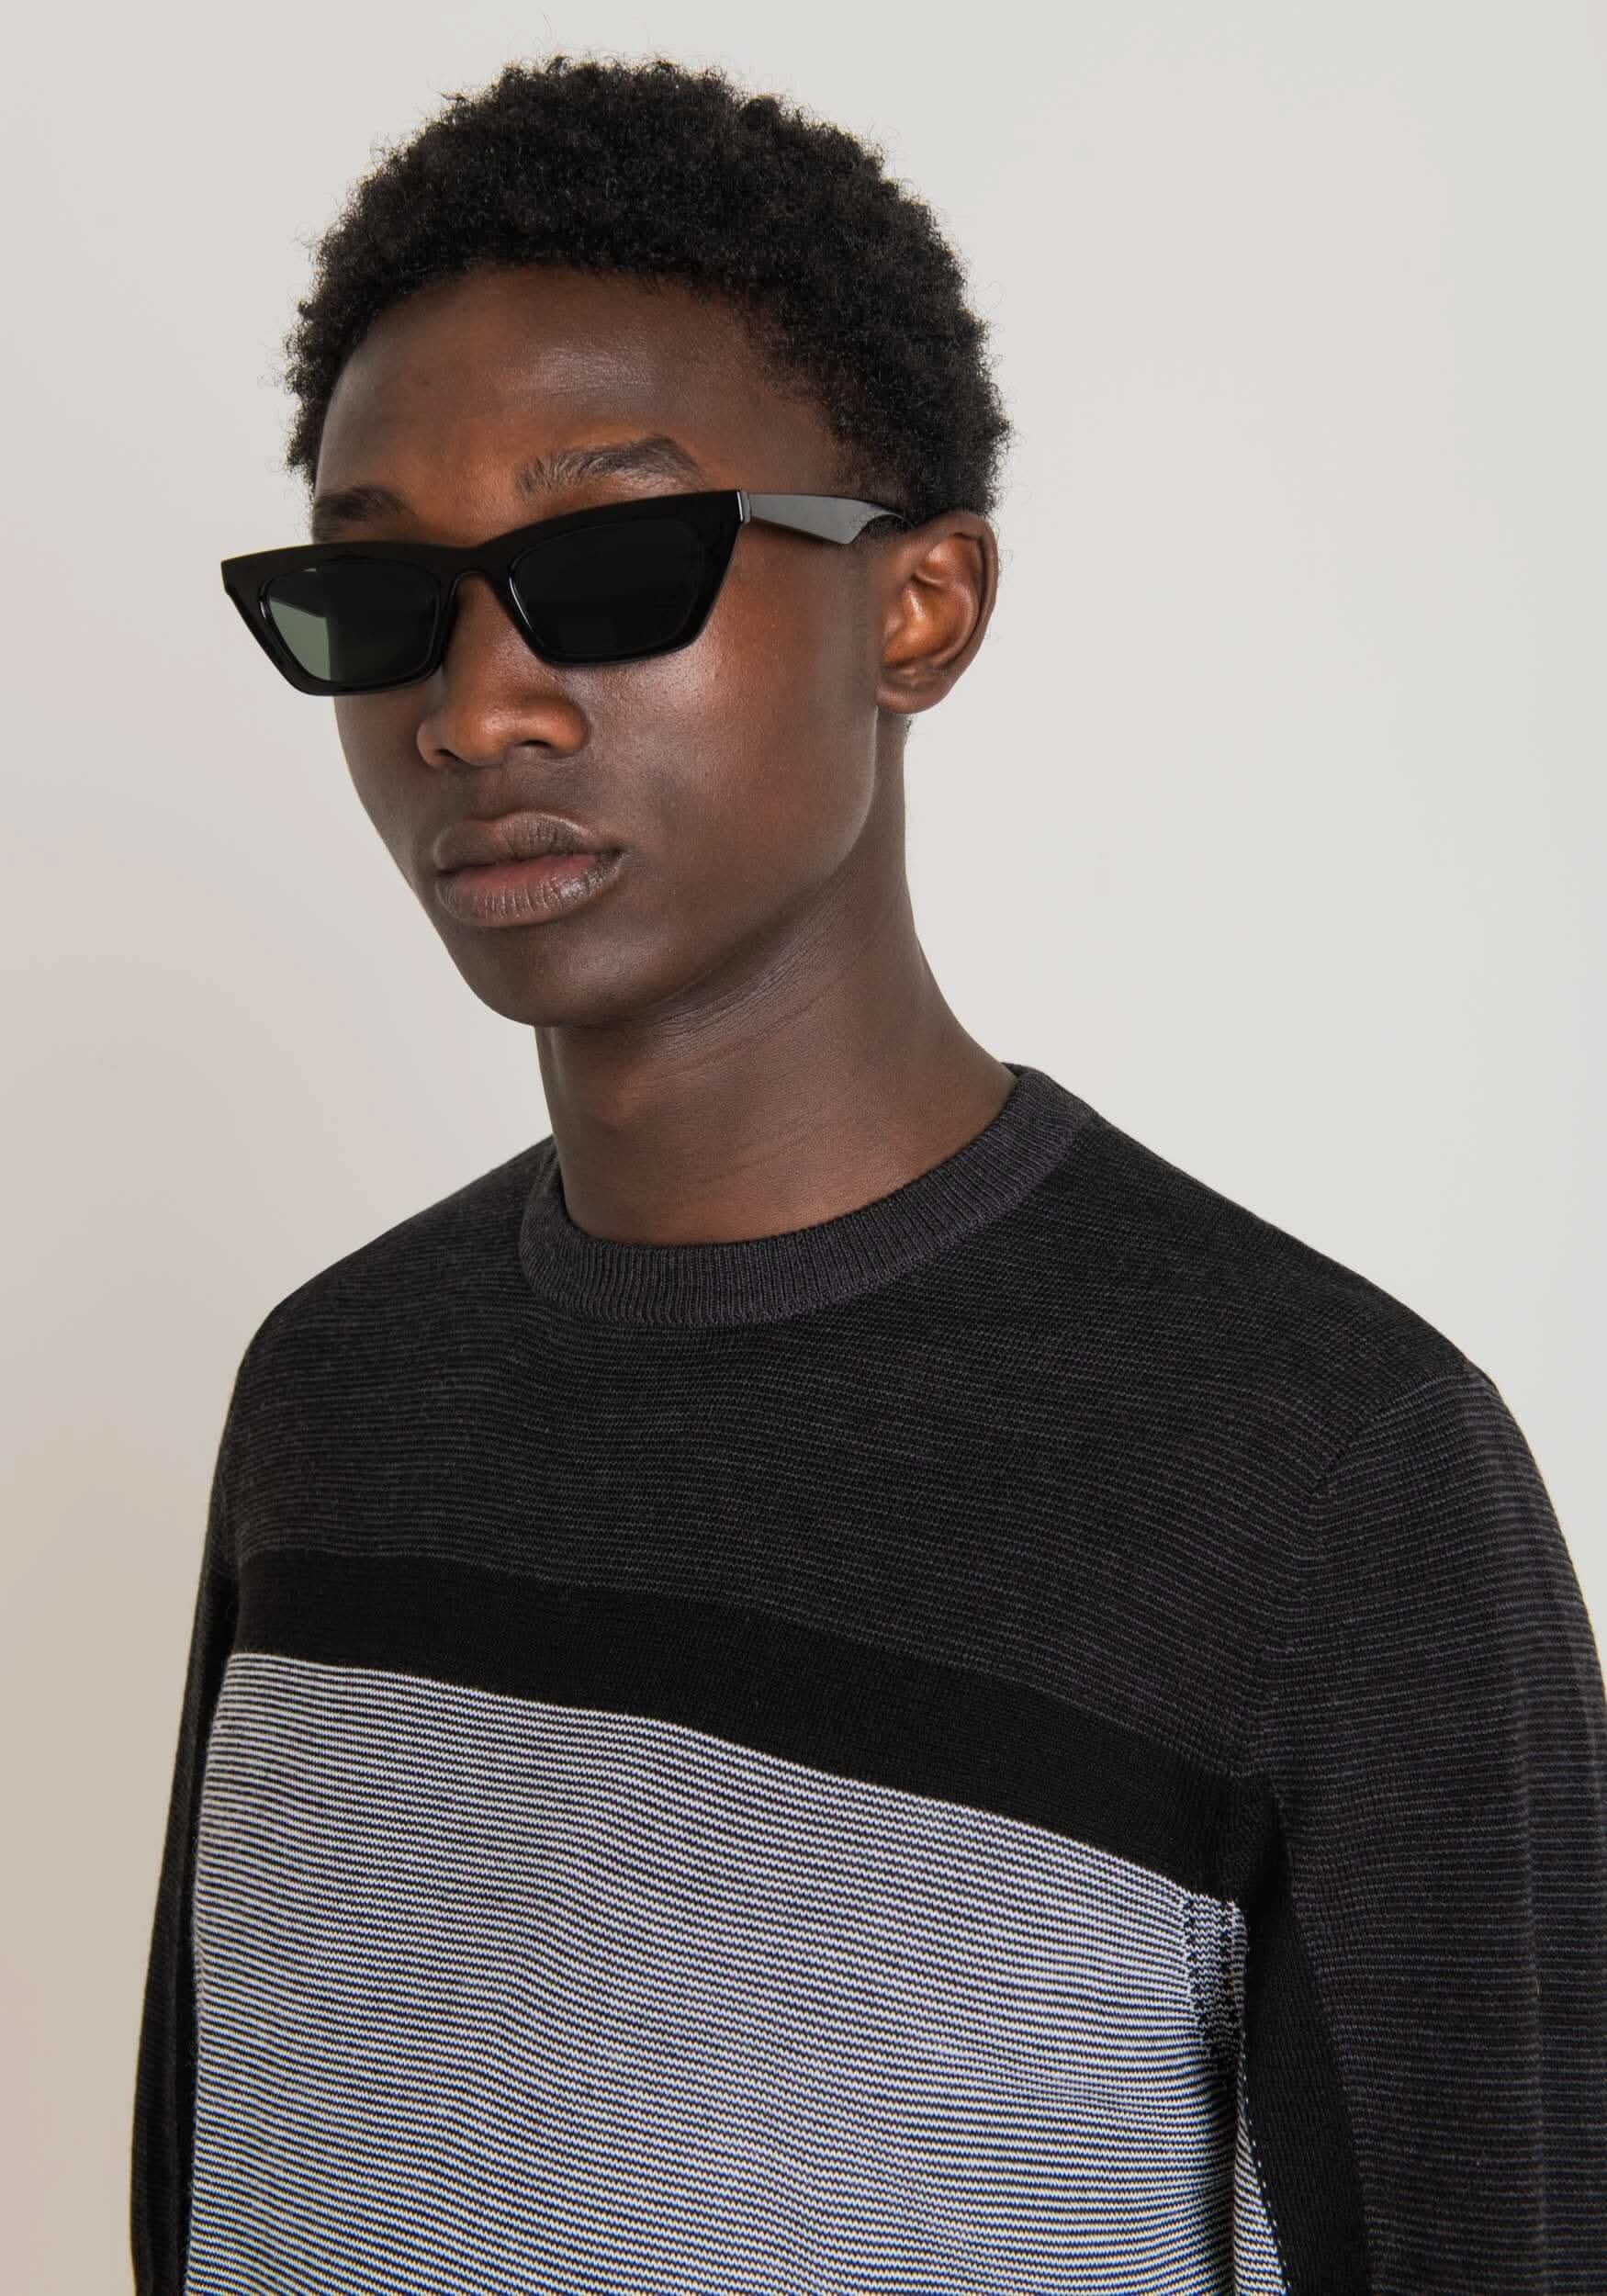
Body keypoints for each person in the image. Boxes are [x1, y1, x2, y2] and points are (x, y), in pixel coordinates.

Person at [132, 53, 1606, 2295]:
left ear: (915, 607)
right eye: (381, 596)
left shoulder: (1323, 1484)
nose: (475, 705)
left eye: (611, 563)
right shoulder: (335, 1395)